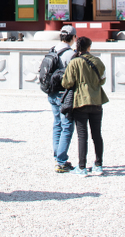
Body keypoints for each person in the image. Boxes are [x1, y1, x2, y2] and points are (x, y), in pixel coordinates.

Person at [61, 36, 107, 177]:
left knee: (82, 136)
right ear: (89, 47)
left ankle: (82, 167)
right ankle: (98, 164)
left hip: (80, 101)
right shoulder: (97, 61)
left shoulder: (74, 63)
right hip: (96, 100)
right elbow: (103, 80)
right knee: (97, 135)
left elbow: (66, 83)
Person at [47, 25, 77, 173]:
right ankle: (61, 161)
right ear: (73, 38)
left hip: (51, 93)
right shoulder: (70, 54)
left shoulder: (52, 50)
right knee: (67, 126)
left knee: (57, 123)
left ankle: (57, 155)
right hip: (63, 94)